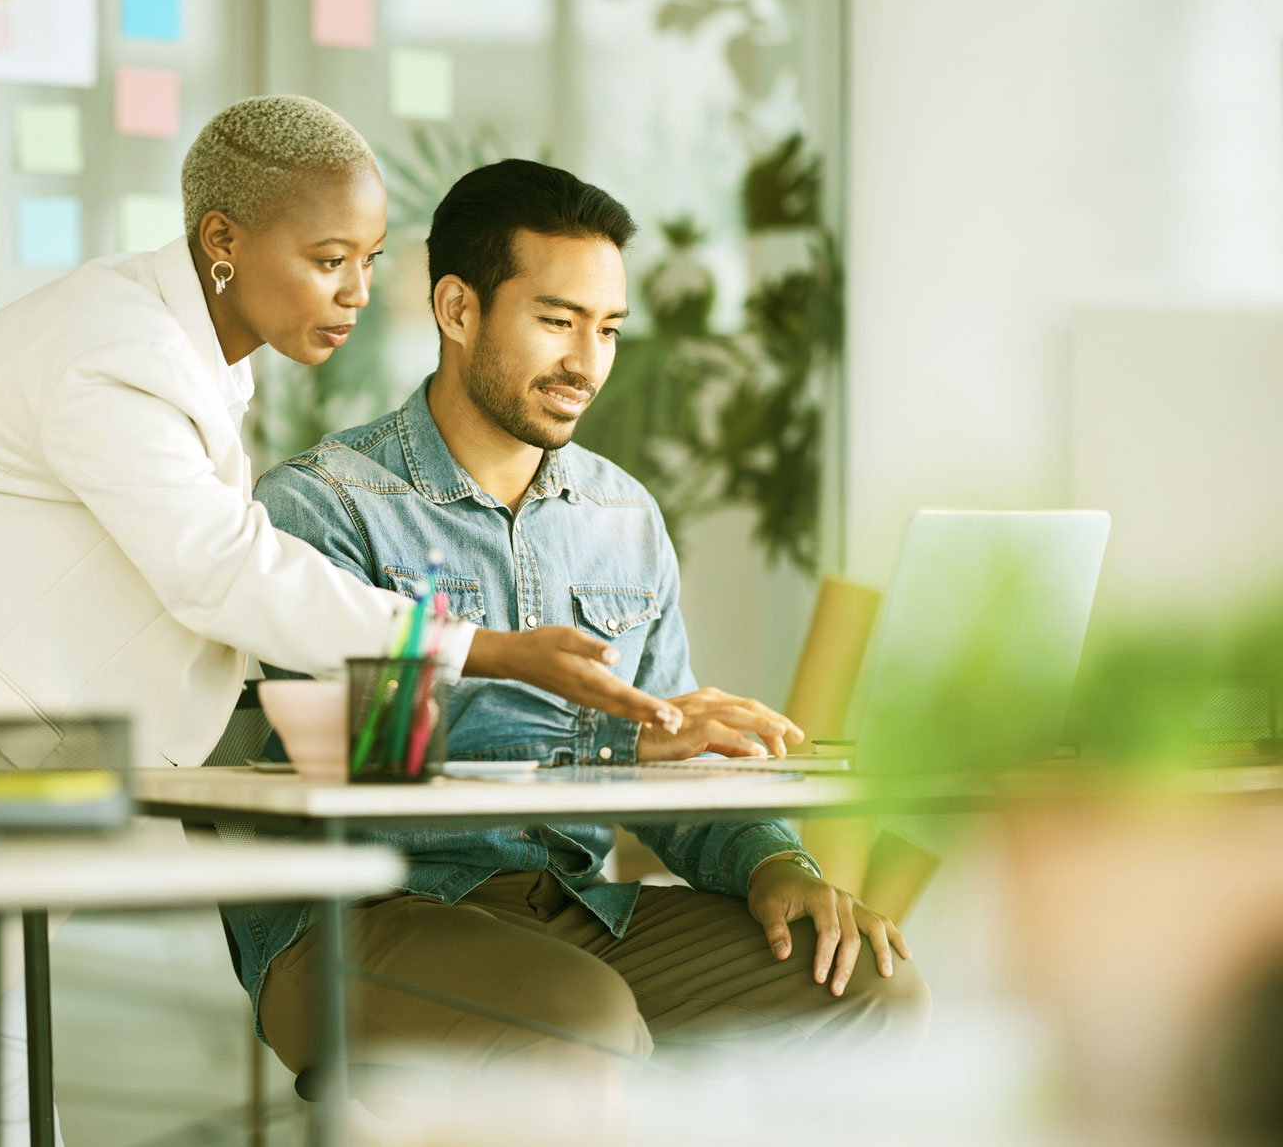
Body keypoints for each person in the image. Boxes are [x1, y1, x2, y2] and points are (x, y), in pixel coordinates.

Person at [0, 97, 686, 1143]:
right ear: (222, 241)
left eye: (367, 259)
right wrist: (487, 648)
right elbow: (217, 569)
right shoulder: (118, 352)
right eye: (328, 258)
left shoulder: (182, 356)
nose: (357, 292)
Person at [233, 160, 929, 1093]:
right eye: (557, 321)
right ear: (457, 309)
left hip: (575, 908)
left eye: (607, 329)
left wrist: (774, 862)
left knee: (867, 988)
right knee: (581, 1023)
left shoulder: (622, 516)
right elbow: (363, 770)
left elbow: (672, 745)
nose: (588, 363)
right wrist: (617, 738)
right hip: (360, 914)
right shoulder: (324, 508)